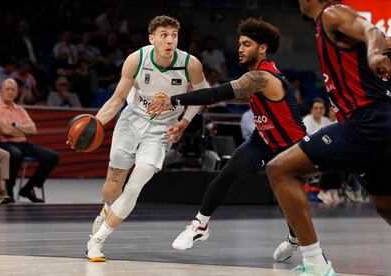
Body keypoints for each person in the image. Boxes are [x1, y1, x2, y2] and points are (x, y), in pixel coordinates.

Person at [148, 17, 306, 263]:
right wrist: (205, 101)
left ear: (262, 48)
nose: (240, 49)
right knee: (227, 173)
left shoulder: (261, 77)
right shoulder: (255, 78)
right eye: (240, 44)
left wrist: (175, 100)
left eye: (246, 44)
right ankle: (200, 226)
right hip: (263, 139)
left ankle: (296, 239)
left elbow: (217, 91)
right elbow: (236, 98)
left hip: (290, 146)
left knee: (287, 198)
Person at [264, 1, 391, 275]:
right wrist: (378, 48)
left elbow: (372, 32)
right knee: (384, 204)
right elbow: (380, 38)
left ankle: (315, 264)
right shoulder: (326, 25)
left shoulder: (333, 13)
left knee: (279, 169)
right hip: (376, 123)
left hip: (367, 121)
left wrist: (373, 53)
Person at [83, 15, 208, 262]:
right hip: (131, 120)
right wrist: (94, 124)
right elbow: (117, 100)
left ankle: (97, 241)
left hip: (163, 129)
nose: (170, 40)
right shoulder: (136, 60)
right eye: (164, 35)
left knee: (135, 185)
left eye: (174, 35)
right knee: (112, 188)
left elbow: (204, 95)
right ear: (152, 39)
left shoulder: (190, 64)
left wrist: (183, 123)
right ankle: (107, 209)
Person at [0, 79, 59, 203]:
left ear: (17, 92)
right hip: (0, 143)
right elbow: (5, 131)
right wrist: (21, 129)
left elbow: (33, 129)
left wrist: (14, 127)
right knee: (15, 155)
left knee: (52, 156)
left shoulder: (19, 110)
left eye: (13, 89)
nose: (10, 92)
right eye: (7, 89)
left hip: (21, 143)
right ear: (1, 91)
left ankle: (28, 188)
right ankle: (8, 189)